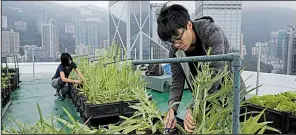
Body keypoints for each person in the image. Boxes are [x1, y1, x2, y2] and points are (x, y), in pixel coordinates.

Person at [157, 3, 246, 133]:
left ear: (189, 25)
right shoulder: (175, 51)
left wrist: (193, 107)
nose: (176, 44)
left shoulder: (212, 34)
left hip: (229, 92)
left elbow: (216, 74)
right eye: (172, 42)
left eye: (178, 38)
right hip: (204, 99)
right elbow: (177, 82)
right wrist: (172, 110)